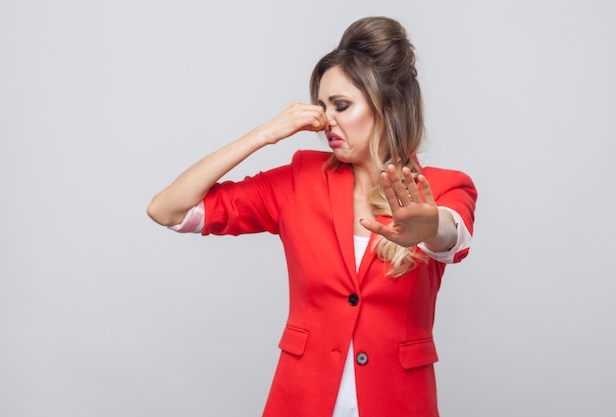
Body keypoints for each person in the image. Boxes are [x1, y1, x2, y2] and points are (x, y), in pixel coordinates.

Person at [147, 16, 477, 417]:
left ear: (386, 105)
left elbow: (453, 235)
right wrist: (264, 134)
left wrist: (432, 228)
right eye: (322, 107)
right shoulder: (299, 180)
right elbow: (168, 210)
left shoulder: (443, 187)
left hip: (399, 403)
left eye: (341, 106)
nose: (326, 121)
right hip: (302, 402)